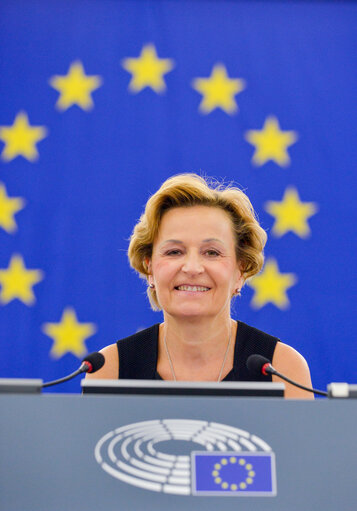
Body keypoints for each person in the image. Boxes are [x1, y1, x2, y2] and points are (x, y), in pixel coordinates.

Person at [87, 173, 313, 398]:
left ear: (240, 271)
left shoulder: (281, 369)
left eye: (212, 253)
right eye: (174, 252)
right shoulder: (108, 369)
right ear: (149, 269)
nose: (192, 268)